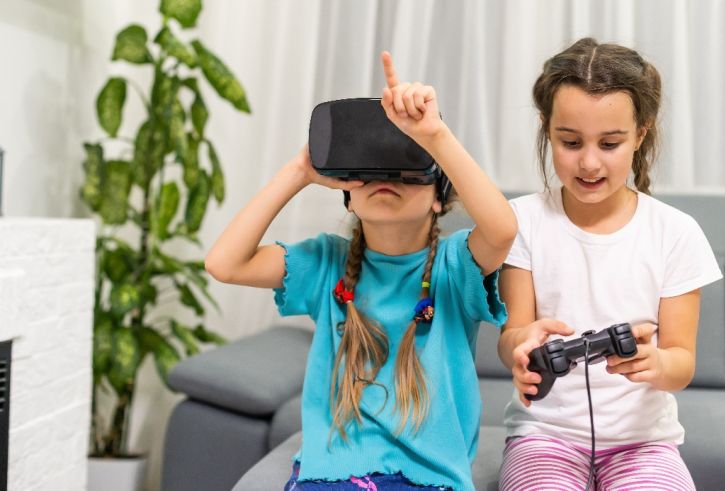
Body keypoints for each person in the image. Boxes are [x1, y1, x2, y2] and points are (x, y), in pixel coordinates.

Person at [205, 52, 516, 491]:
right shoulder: (325, 262)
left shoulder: (453, 265)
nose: (386, 178)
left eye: (408, 171)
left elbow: (502, 230)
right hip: (332, 473)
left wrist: (434, 135)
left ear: (438, 199)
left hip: (430, 478)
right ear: (349, 196)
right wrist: (299, 170)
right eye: (368, 173)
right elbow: (224, 263)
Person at [497, 38, 723, 490]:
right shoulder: (520, 222)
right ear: (547, 129)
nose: (589, 161)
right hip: (544, 437)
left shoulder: (675, 233)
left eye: (610, 142)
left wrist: (655, 363)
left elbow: (682, 362)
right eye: (569, 141)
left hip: (644, 444)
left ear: (641, 133)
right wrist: (523, 346)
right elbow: (510, 338)